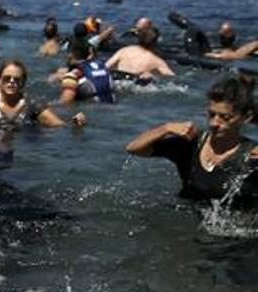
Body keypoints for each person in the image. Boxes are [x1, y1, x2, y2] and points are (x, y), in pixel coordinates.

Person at [126, 76, 258, 207]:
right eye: (211, 114)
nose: (214, 123)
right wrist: (166, 128)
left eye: (225, 117)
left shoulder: (252, 156)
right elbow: (134, 148)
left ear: (246, 117)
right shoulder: (190, 144)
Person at [0, 59, 84, 131]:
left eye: (16, 79)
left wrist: (76, 123)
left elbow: (59, 126)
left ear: (23, 82)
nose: (11, 82)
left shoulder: (33, 104)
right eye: (7, 78)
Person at [106, 27, 175, 81]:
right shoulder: (156, 61)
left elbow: (106, 66)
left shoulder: (124, 51)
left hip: (117, 81)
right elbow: (172, 78)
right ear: (155, 42)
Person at [59, 39, 115, 104]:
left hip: (91, 108)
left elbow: (65, 103)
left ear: (70, 55)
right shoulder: (104, 69)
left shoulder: (73, 75)